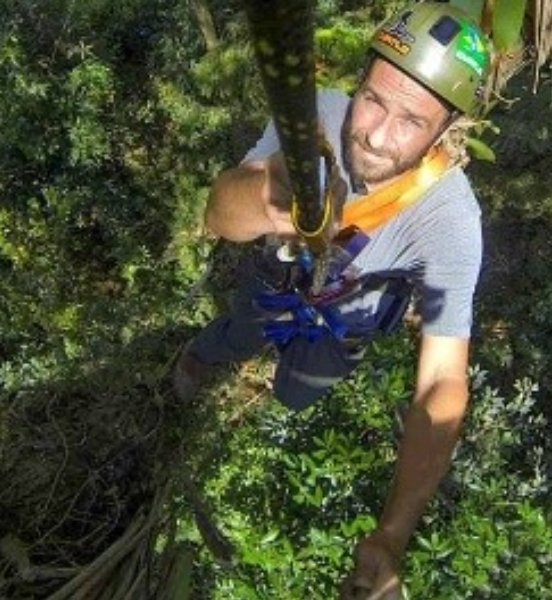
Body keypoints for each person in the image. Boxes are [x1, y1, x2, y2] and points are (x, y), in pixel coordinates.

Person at [173, 3, 491, 599]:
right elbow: (219, 215)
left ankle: (276, 389)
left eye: (410, 121)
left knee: (297, 392)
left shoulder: (450, 219)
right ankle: (202, 357)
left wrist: (392, 534)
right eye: (373, 99)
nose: (374, 133)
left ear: (444, 132)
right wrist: (268, 199)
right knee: (237, 330)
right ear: (361, 79)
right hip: (275, 287)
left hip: (339, 327)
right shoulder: (316, 117)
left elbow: (441, 382)